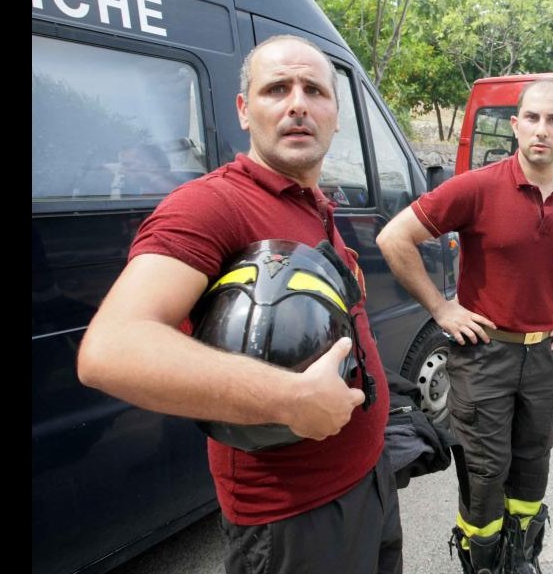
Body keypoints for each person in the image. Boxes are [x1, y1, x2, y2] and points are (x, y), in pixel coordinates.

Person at [76, 35, 402, 573]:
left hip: (366, 483)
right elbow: (110, 349)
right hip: (292, 522)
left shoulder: (314, 202)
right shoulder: (213, 204)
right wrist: (288, 398)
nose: (298, 103)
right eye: (277, 88)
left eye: (314, 90)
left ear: (336, 115)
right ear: (245, 111)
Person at [376, 79, 553, 574]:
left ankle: (522, 559)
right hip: (482, 356)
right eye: (531, 118)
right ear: (515, 125)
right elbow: (394, 238)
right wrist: (441, 308)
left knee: (533, 463)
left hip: (544, 357)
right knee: (486, 471)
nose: (541, 130)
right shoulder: (478, 187)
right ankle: (484, 564)